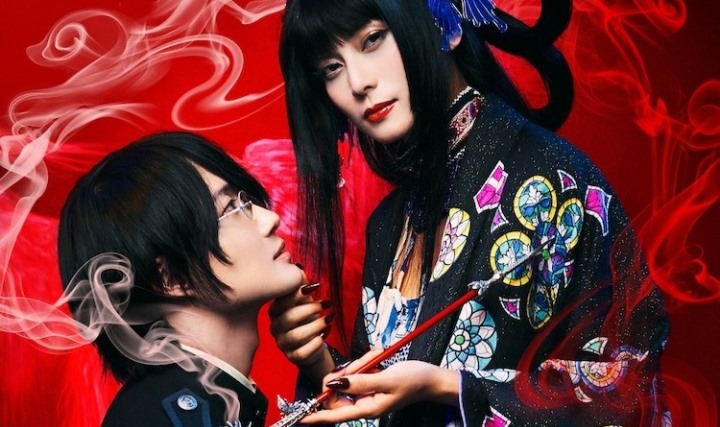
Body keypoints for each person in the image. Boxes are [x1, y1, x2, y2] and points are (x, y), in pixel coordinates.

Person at [269, 0, 670, 426]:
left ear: (446, 27)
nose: (358, 82)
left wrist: (451, 387)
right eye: (331, 68)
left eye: (372, 39)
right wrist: (317, 361)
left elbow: (629, 388)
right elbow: (378, 412)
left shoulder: (553, 179)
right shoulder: (388, 224)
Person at [58, 131, 308, 427]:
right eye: (230, 209)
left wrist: (319, 367)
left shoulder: (189, 402)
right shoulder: (165, 417)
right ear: (171, 278)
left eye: (246, 201)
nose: (270, 219)